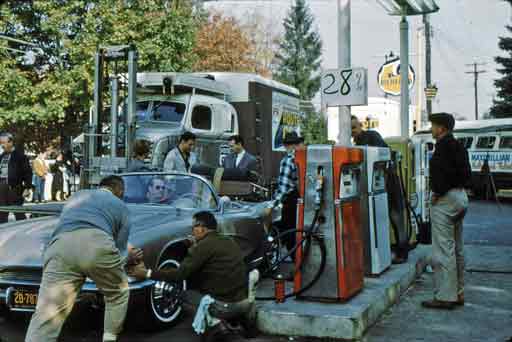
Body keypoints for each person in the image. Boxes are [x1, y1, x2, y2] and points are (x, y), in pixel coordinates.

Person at [25, 175, 143, 342]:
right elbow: (119, 251)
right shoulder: (121, 207)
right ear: (120, 190)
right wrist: (129, 258)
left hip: (59, 246)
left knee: (47, 313)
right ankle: (109, 338)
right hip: (96, 245)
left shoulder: (77, 196)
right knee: (117, 293)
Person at [129, 211, 251, 338]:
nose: (192, 230)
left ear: (201, 228)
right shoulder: (228, 240)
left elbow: (178, 275)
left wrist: (146, 273)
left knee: (182, 295)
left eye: (193, 227)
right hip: (243, 301)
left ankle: (216, 326)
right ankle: (238, 319)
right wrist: (195, 247)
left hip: (224, 307)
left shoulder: (204, 246)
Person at [421, 113, 471, 310]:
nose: (431, 129)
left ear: (441, 128)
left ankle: (445, 296)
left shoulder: (442, 148)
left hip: (446, 199)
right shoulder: (459, 146)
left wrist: (437, 193)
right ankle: (458, 292)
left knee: (443, 249)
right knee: (457, 248)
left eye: (433, 126)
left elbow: (442, 174)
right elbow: (466, 174)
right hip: (461, 198)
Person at [267, 131, 301, 255]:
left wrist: (272, 205)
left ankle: (296, 265)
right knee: (294, 231)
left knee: (286, 232)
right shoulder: (301, 159)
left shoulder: (287, 160)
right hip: (300, 199)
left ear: (288, 146)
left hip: (290, 200)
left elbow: (283, 188)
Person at [0, 132, 32, 223]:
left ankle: (24, 231)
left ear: (10, 143)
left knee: (18, 213)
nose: (2, 145)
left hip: (14, 188)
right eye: (0, 143)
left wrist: (27, 187)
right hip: (1, 188)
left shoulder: (20, 156)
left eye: (3, 143)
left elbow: (28, 173)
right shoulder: (1, 157)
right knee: (2, 213)